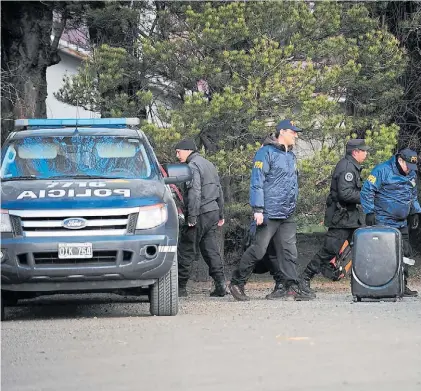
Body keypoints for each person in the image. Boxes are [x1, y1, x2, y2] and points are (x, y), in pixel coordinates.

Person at [229, 119, 312, 301]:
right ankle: (237, 282)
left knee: (289, 251)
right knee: (259, 250)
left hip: (287, 213)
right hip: (269, 211)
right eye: (293, 132)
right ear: (282, 132)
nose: (296, 135)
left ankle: (291, 287)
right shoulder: (265, 153)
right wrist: (258, 209)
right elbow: (257, 182)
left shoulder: (291, 156)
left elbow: (293, 184)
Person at [299, 139, 369, 298]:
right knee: (329, 250)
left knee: (361, 248)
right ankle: (304, 278)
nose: (366, 153)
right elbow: (345, 194)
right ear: (355, 152)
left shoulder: (351, 166)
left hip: (350, 218)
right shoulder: (346, 168)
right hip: (341, 218)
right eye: (363, 151)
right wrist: (365, 196)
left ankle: (364, 283)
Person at [360, 148, 421, 297]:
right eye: (408, 166)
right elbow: (367, 191)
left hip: (401, 222)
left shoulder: (411, 173)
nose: (409, 170)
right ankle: (380, 285)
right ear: (400, 160)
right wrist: (369, 212)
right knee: (384, 254)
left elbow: (412, 194)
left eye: (412, 167)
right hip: (383, 220)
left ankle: (402, 284)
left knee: (405, 252)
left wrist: (415, 212)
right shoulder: (382, 170)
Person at [175, 138, 227, 297]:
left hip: (200, 212)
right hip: (212, 212)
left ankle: (180, 288)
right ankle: (221, 284)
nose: (177, 156)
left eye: (178, 152)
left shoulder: (192, 166)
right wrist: (221, 213)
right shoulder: (209, 164)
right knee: (211, 249)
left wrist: (192, 217)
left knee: (186, 249)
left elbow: (194, 192)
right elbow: (219, 189)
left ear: (187, 150)